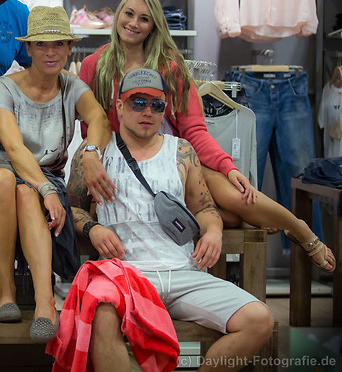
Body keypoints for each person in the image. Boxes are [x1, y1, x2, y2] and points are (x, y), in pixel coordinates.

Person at [79, 0, 336, 273]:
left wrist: (228, 167)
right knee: (230, 216)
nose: (133, 23)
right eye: (129, 14)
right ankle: (239, 216)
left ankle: (300, 229)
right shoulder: (94, 65)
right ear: (118, 15)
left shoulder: (171, 67)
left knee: (238, 195)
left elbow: (195, 130)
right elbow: (91, 128)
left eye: (144, 19)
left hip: (173, 159)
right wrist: (93, 158)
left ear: (153, 26)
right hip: (122, 162)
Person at [62, 68, 274, 371]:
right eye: (138, 102)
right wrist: (93, 228)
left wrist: (213, 232)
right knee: (101, 311)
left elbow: (205, 209)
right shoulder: (95, 152)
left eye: (157, 104)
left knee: (259, 319)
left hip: (183, 272)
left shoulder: (181, 150)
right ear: (119, 106)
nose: (147, 111)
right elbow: (72, 209)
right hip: (126, 275)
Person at [0, 5, 113, 340]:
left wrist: (91, 151)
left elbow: (100, 119)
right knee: (12, 183)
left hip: (41, 176)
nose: (50, 52)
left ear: (69, 48)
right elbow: (13, 148)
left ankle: (44, 302)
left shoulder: (72, 86)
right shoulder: (4, 87)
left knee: (25, 191)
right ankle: (6, 292)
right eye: (41, 45)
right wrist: (47, 190)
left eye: (58, 44)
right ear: (29, 49)